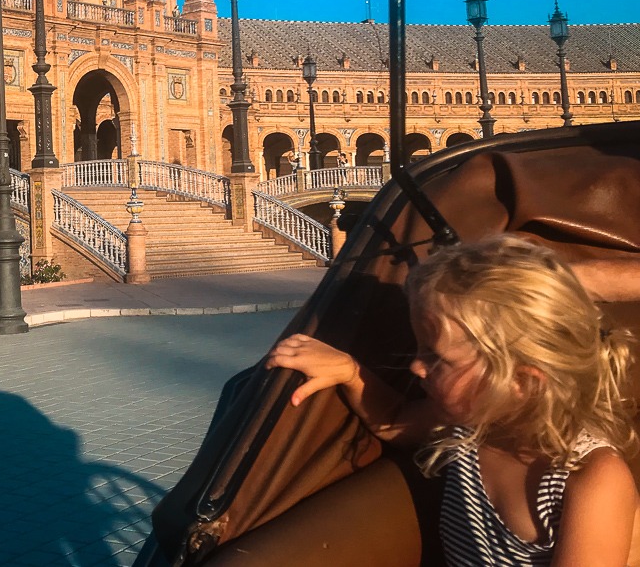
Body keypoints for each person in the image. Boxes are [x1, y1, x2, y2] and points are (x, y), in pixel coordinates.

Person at [267, 235, 640, 565]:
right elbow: (394, 422)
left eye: (437, 358)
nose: (415, 367)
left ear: (521, 381)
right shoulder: (474, 425)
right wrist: (350, 372)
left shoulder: (592, 479)